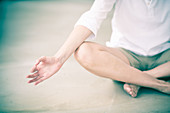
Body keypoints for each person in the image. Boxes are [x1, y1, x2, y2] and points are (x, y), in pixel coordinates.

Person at [27, 0, 170, 98]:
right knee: (84, 52)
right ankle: (159, 84)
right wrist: (58, 58)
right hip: (126, 54)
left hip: (166, 55)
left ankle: (139, 78)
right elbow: (93, 16)